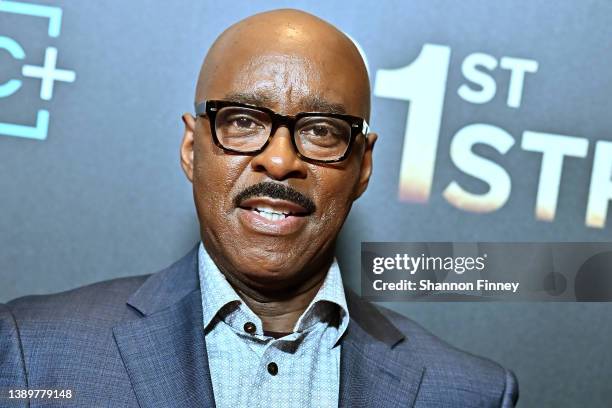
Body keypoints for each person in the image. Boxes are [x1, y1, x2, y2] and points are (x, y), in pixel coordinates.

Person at [0, 9, 518, 408]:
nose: (278, 160)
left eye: (321, 131)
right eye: (243, 121)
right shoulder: (33, 352)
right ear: (190, 149)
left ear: (362, 167)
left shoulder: (467, 393)